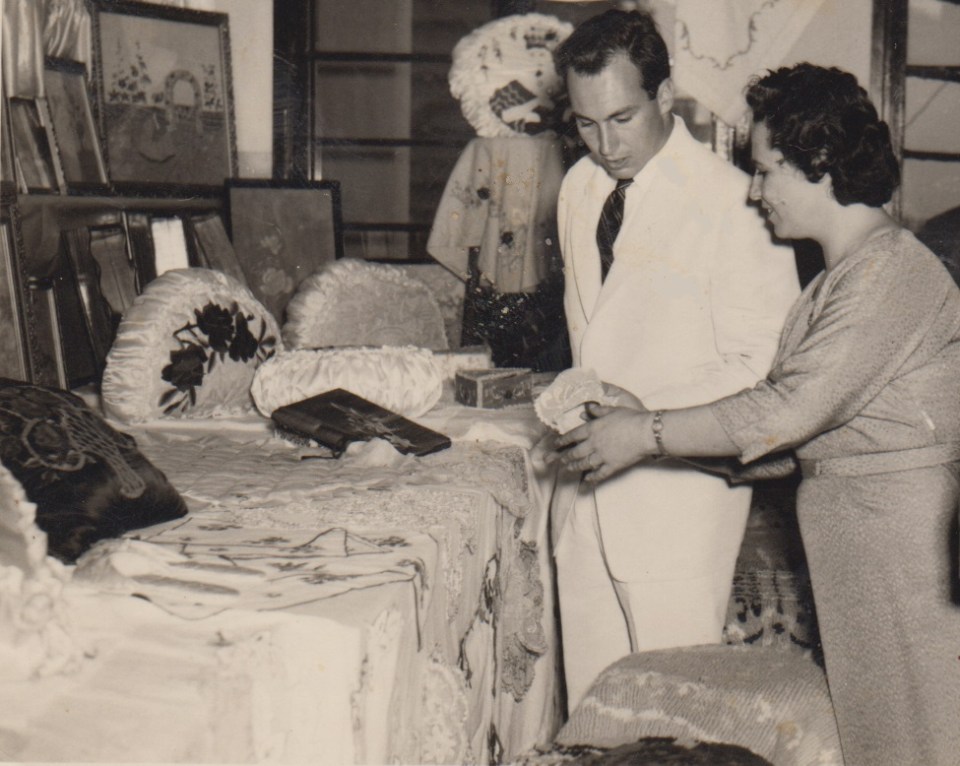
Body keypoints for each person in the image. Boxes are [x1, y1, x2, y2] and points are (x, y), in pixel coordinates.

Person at [556, 62, 960, 766]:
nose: (754, 189)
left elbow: (789, 408)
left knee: (921, 740)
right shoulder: (836, 281)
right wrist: (649, 426)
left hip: (903, 552)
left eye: (768, 170)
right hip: (862, 552)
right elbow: (783, 445)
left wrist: (645, 435)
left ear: (822, 167)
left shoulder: (892, 271)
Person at [550, 8, 800, 711]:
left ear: (664, 97)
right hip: (583, 496)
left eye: (622, 118)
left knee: (671, 721)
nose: (606, 144)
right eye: (586, 124)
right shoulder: (577, 190)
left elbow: (764, 370)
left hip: (677, 506)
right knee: (593, 716)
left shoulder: (733, 203)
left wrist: (648, 421)